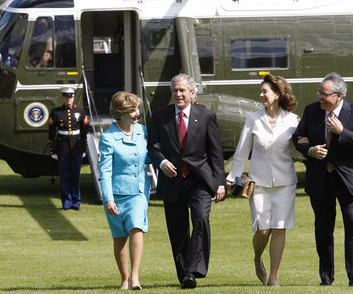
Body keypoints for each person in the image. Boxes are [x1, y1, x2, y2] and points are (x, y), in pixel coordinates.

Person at [292, 72, 353, 287]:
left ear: (339, 95)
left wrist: (342, 131)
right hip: (320, 180)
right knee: (323, 229)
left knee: (352, 223)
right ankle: (326, 277)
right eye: (318, 92)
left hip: (349, 181)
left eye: (324, 94)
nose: (320, 97)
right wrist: (309, 150)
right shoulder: (311, 111)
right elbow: (298, 137)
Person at [147, 73, 225, 289]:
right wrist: (162, 163)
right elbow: (152, 147)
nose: (178, 94)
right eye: (175, 90)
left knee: (200, 220)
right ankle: (184, 274)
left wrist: (220, 183)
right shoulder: (160, 116)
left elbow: (216, 154)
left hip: (199, 180)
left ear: (193, 93)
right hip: (172, 181)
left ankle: (193, 270)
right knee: (177, 229)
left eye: (182, 90)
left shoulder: (206, 116)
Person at [225, 74, 299, 287]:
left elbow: (298, 150)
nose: (261, 95)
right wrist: (232, 177)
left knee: (280, 228)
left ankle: (274, 276)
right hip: (257, 183)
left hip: (285, 182)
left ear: (277, 94)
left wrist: (312, 150)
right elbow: (241, 152)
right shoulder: (253, 119)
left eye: (265, 91)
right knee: (263, 230)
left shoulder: (293, 121)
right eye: (261, 91)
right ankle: (257, 257)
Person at [99, 91, 151, 290]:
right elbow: (105, 171)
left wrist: (163, 160)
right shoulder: (108, 138)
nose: (137, 114)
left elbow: (146, 157)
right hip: (116, 195)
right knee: (120, 236)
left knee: (137, 227)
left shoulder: (141, 131)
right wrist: (108, 199)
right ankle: (125, 279)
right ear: (120, 113)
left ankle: (136, 277)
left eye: (137, 109)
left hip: (138, 192)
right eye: (132, 110)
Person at [48, 87, 87, 211]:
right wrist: (53, 150)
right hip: (62, 148)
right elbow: (51, 133)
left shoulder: (80, 111)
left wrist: (84, 149)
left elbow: (84, 132)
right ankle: (66, 202)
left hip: (76, 148)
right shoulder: (56, 112)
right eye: (66, 96)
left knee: (76, 177)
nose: (68, 99)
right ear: (62, 97)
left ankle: (76, 202)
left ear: (73, 97)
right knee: (64, 178)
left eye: (70, 96)